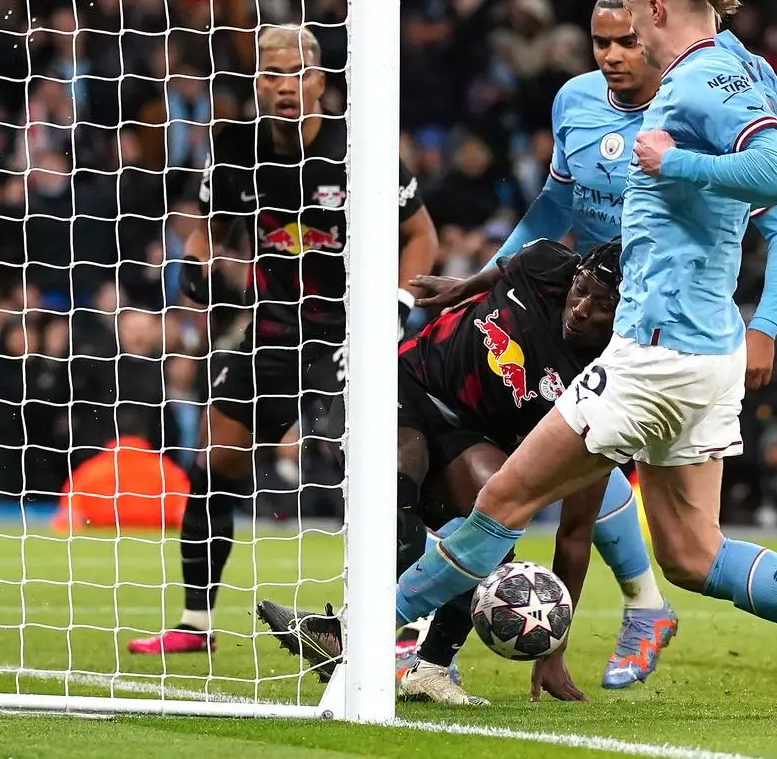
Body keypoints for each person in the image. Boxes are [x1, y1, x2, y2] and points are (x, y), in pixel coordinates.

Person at [387, 0, 777, 717]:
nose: (626, 42)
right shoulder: (744, 66)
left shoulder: (695, 80)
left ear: (655, 10)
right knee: (694, 554)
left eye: (630, 22)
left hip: (654, 351)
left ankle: (361, 629)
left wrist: (676, 163)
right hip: (704, 353)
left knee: (503, 496)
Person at [417, 0, 777, 689]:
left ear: (654, 33)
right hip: (579, 311)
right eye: (599, 41)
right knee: (550, 480)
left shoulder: (703, 99)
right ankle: (628, 609)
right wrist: (479, 279)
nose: (611, 55)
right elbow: (552, 206)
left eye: (625, 40)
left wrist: (765, 326)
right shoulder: (574, 102)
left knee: (555, 490)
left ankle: (428, 640)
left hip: (661, 328)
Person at [128, 25, 438, 655]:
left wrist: (397, 304)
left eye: (297, 74)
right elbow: (206, 231)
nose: (284, 86)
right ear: (257, 84)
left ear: (320, 82)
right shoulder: (236, 145)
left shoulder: (362, 147)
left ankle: (404, 626)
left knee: (375, 472)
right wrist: (194, 263)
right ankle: (196, 624)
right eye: (272, 74)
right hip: (269, 331)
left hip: (344, 334)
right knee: (213, 464)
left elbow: (422, 237)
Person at [258, 239, 623, 705]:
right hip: (408, 380)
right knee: (396, 489)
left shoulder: (607, 385)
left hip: (469, 434)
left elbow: (575, 531)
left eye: (603, 306)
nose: (581, 309)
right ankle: (342, 633)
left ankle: (428, 670)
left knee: (494, 537)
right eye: (581, 290)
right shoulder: (547, 262)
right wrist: (464, 287)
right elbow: (501, 272)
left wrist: (555, 647)